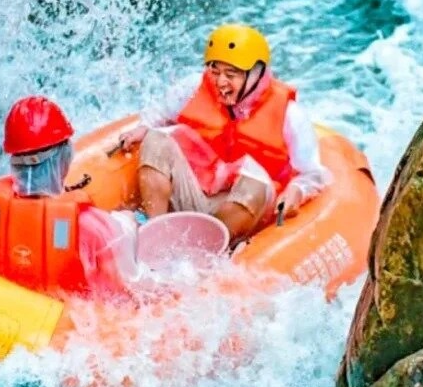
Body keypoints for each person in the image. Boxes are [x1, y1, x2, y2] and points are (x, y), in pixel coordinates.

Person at [119, 25, 331, 244]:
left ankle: (205, 248)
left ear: (256, 74)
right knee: (155, 139)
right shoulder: (193, 87)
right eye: (215, 71)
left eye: (231, 75)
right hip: (198, 190)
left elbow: (313, 174)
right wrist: (142, 128)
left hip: (246, 208)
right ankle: (157, 232)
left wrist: (298, 190)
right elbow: (158, 112)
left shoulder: (290, 115)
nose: (221, 82)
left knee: (254, 183)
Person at [0, 95, 137, 294]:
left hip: (10, 304)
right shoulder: (89, 225)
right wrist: (128, 223)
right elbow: (123, 285)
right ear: (64, 157)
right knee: (129, 219)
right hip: (71, 315)